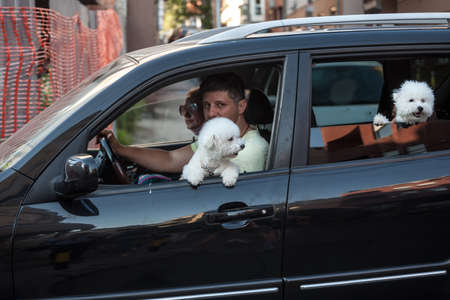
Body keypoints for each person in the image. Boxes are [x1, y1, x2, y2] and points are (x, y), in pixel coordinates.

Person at [98, 72, 269, 177]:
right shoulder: (219, 140)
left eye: (220, 105)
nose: (210, 114)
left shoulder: (251, 149)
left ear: (241, 106)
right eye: (206, 106)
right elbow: (170, 159)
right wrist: (120, 149)